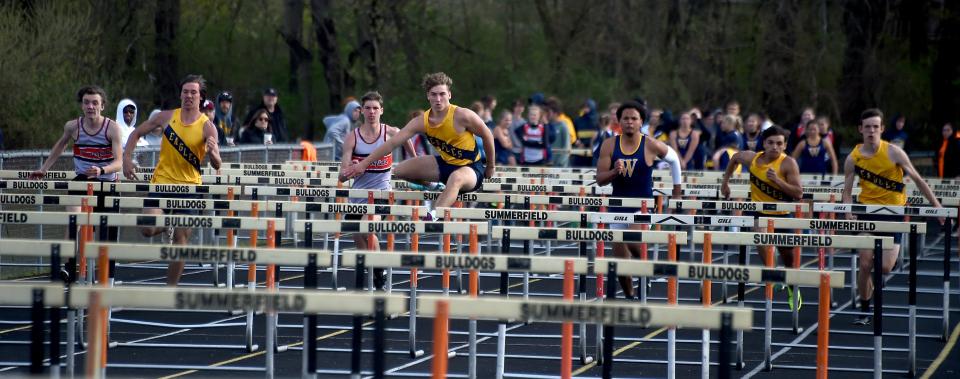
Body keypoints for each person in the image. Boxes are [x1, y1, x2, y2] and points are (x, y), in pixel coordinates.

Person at [341, 72, 495, 220]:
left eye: (442, 94)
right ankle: (434, 186)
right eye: (434, 94)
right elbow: (392, 143)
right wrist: (363, 164)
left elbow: (487, 135)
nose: (438, 99)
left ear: (449, 95)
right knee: (400, 170)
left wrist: (490, 167)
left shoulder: (462, 115)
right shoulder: (422, 121)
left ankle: (434, 215)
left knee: (456, 178)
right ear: (428, 96)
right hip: (445, 164)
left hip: (471, 168)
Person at [842, 108, 943, 325]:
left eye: (875, 127)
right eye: (867, 127)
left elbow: (917, 179)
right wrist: (848, 211)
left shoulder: (894, 152)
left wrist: (937, 207)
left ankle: (876, 281)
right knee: (865, 263)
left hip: (893, 215)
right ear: (860, 129)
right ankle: (865, 308)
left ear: (882, 129)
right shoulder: (854, 157)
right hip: (868, 213)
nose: (871, 131)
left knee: (885, 268)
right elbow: (847, 191)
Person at [122, 74, 223, 286]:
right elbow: (136, 133)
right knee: (147, 228)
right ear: (180, 94)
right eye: (185, 91)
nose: (188, 96)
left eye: (193, 92)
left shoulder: (207, 126)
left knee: (180, 241)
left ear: (200, 97)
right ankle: (167, 223)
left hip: (189, 188)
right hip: (162, 183)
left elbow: (217, 164)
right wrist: (127, 159)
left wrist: (213, 154)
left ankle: (169, 290)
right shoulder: (166, 117)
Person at [596, 101, 683, 300]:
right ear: (619, 121)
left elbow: (674, 159)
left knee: (632, 240)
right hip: (617, 205)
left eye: (634, 118)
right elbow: (600, 180)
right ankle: (630, 294)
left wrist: (677, 192)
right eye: (625, 118)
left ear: (641, 122)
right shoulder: (609, 145)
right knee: (620, 264)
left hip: (642, 205)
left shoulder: (650, 144)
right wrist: (614, 172)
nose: (629, 122)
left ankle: (643, 267)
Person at [720, 125, 804, 310]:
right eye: (771, 143)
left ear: (784, 145)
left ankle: (792, 289)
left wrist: (778, 181)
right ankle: (773, 274)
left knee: (789, 259)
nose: (774, 147)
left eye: (779, 143)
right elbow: (734, 158)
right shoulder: (753, 158)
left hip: (783, 213)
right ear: (763, 143)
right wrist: (725, 183)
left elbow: (798, 193)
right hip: (759, 211)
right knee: (758, 232)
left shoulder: (788, 163)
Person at [339, 91, 416, 290]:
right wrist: (352, 168)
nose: (372, 112)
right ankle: (376, 271)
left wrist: (414, 161)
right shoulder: (352, 138)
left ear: (381, 110)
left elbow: (407, 139)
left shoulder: (390, 132)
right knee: (360, 242)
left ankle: (378, 279)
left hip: (381, 193)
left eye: (375, 108)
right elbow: (342, 175)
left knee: (367, 227)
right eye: (368, 108)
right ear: (362, 111)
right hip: (358, 195)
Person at [32, 86, 123, 209]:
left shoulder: (113, 128)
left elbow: (119, 163)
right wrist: (43, 169)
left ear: (102, 106)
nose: (90, 106)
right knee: (73, 223)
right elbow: (61, 145)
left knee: (105, 227)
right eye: (86, 102)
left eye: (95, 103)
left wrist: (101, 170)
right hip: (82, 181)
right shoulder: (72, 126)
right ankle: (74, 227)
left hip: (106, 182)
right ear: (82, 106)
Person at [544, 97, 571, 167]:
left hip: (560, 168)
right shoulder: (546, 126)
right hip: (547, 166)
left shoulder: (563, 126)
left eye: (548, 111)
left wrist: (560, 163)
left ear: (555, 113)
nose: (546, 114)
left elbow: (567, 147)